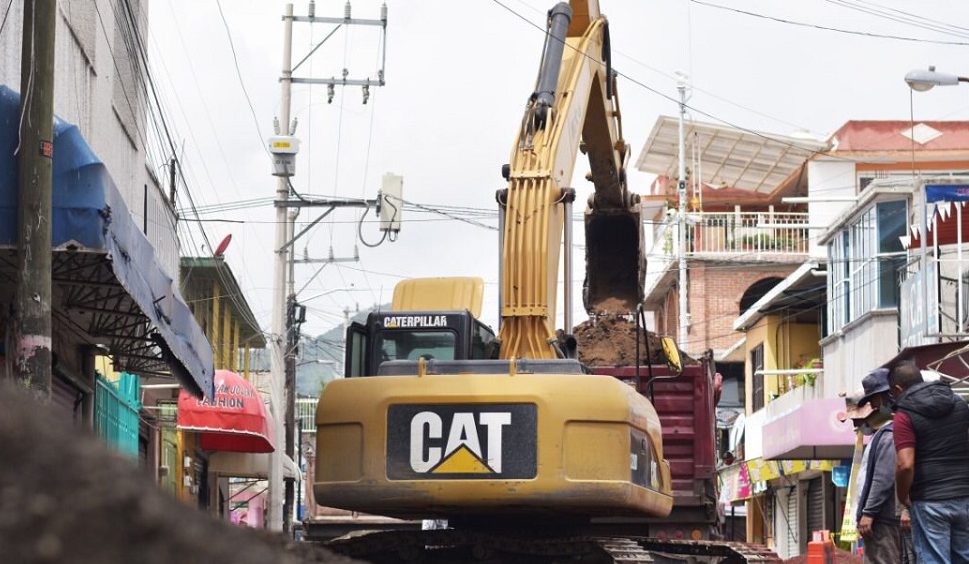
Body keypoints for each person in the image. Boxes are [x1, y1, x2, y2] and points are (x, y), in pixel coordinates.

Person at [892, 361, 969, 563]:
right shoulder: (959, 403)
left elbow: (905, 464)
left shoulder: (903, 415)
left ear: (898, 388)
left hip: (929, 499)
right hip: (964, 495)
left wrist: (903, 496)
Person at [855, 367, 911, 564]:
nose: (871, 405)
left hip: (885, 519)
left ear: (889, 395)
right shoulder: (892, 429)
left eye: (873, 399)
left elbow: (883, 477)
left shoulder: (892, 433)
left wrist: (868, 513)